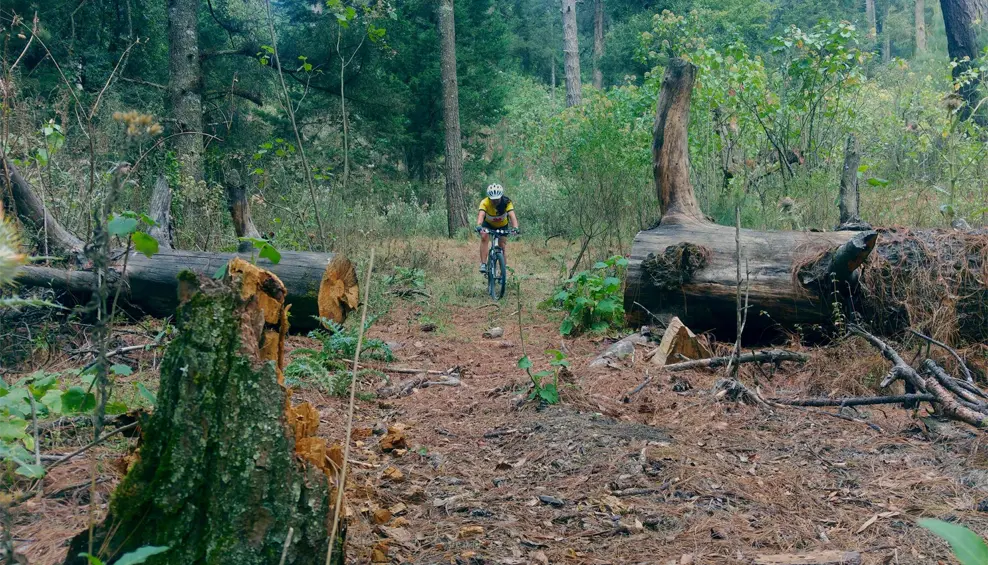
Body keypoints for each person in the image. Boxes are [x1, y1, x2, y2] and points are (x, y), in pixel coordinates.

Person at [475, 183, 519, 274]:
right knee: (484, 236)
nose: (495, 202)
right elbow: (481, 214)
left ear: (501, 196)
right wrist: (479, 225)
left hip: (502, 225)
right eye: (493, 200)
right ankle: (483, 263)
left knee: (502, 245)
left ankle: (503, 270)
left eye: (497, 199)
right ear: (489, 198)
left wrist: (515, 227)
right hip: (488, 224)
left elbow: (512, 216)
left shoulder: (507, 202)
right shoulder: (484, 202)